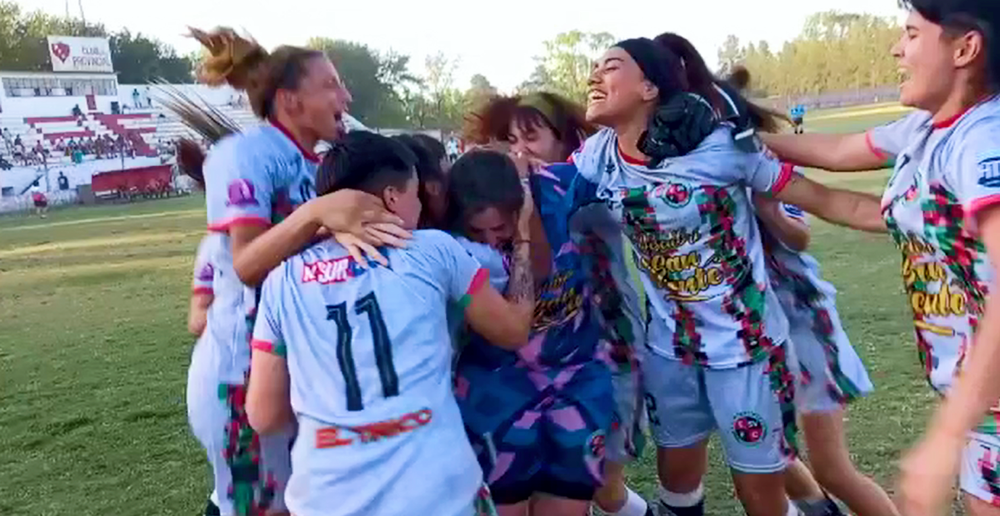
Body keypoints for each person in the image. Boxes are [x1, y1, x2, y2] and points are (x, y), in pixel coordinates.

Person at [574, 37, 888, 516]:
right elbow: (538, 192)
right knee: (676, 487)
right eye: (594, 68)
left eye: (610, 66)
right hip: (670, 351)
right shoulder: (597, 158)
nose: (594, 77)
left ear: (649, 87)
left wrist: (925, 214)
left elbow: (826, 202)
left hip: (748, 351)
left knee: (760, 496)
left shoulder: (720, 149)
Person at [759, 2, 1000, 515]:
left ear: (965, 48)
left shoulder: (983, 139)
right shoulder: (925, 131)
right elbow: (841, 156)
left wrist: (945, 436)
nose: (897, 48)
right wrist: (738, 143)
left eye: (911, 34)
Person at [246, 131, 535, 516]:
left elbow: (264, 415)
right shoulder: (433, 251)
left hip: (326, 498)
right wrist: (524, 239)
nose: (421, 204)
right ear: (393, 198)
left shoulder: (282, 279)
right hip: (436, 492)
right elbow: (514, 330)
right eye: (415, 192)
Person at [184, 27, 407, 516]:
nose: (345, 96)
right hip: (241, 372)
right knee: (258, 508)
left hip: (299, 370)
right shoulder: (245, 154)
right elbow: (247, 264)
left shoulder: (322, 163)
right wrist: (318, 214)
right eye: (331, 84)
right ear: (289, 100)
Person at [464, 91, 650, 516]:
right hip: (515, 378)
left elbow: (636, 162)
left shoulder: (580, 185)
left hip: (600, 352)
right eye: (509, 139)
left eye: (531, 137)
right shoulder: (491, 203)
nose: (519, 151)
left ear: (566, 142)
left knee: (602, 483)